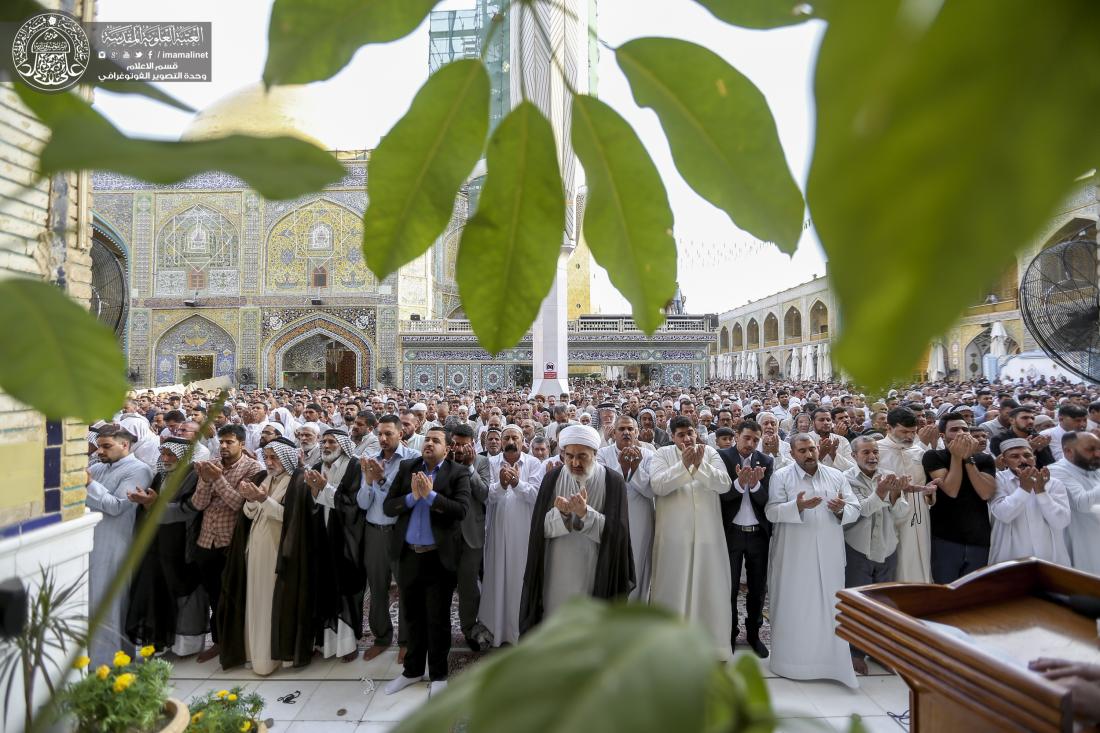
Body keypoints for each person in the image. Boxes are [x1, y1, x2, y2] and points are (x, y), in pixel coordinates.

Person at [382, 426, 470, 697]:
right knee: (411, 616)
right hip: (409, 555)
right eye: (427, 440)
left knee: (438, 618)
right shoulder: (409, 466)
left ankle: (439, 673)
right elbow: (389, 506)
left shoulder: (458, 472)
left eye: (436, 441)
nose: (429, 444)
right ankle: (412, 671)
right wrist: (412, 497)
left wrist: (430, 496)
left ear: (446, 448)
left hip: (438, 558)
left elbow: (460, 510)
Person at [766, 434, 860, 687]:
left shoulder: (836, 475)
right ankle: (791, 664)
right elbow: (771, 511)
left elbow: (855, 507)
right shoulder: (782, 476)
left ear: (818, 449)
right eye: (802, 450)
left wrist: (841, 509)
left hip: (829, 554)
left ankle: (831, 665)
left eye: (812, 449)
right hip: (794, 556)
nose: (809, 454)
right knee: (795, 607)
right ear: (793, 453)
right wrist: (797, 507)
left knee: (831, 608)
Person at [520, 424, 635, 631]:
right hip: (556, 567)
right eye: (569, 456)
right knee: (554, 621)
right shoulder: (552, 478)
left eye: (582, 456)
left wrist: (585, 514)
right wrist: (561, 514)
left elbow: (618, 536)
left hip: (596, 566)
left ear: (595, 454)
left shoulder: (613, 481)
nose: (574, 462)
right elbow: (539, 531)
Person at [218, 437, 317, 674]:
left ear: (287, 457)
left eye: (274, 457)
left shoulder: (299, 481)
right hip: (255, 548)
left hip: (279, 552)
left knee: (274, 603)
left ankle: (276, 655)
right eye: (267, 457)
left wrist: (263, 499)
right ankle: (256, 653)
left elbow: (293, 519)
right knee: (255, 599)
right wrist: (252, 500)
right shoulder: (262, 478)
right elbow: (249, 514)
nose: (269, 462)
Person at [650, 416, 733, 659]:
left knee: (710, 589)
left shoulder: (710, 453)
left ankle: (713, 648)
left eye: (690, 433)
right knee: (672, 588)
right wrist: (684, 466)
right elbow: (658, 485)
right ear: (672, 436)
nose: (687, 438)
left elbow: (724, 484)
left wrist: (700, 465)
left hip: (709, 536)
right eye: (681, 435)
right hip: (674, 538)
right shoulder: (662, 454)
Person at [189, 424, 266, 663]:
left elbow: (238, 505)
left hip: (231, 540)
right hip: (206, 540)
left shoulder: (253, 467)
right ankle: (220, 641)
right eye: (221, 442)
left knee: (234, 594)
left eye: (229, 442)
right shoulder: (212, 464)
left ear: (242, 444)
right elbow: (198, 504)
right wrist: (204, 480)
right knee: (214, 595)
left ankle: (238, 643)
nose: (223, 446)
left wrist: (218, 479)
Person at [125, 438, 207, 657]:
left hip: (183, 544)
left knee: (183, 591)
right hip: (158, 543)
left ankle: (184, 646)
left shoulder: (193, 476)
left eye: (172, 454)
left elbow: (190, 509)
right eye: (164, 454)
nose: (167, 459)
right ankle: (159, 640)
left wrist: (155, 505)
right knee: (156, 588)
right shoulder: (160, 476)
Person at [85, 425, 155, 665]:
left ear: (124, 445)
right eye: (100, 446)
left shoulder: (139, 470)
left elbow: (116, 506)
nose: (99, 452)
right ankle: (93, 660)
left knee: (110, 603)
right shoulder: (97, 467)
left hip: (115, 543)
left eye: (106, 446)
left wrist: (88, 484)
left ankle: (109, 664)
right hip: (90, 541)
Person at [843, 437, 914, 674]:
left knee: (884, 603)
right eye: (866, 452)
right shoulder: (846, 478)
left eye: (875, 452)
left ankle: (879, 651)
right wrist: (882, 493)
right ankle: (854, 652)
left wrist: (894, 495)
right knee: (857, 602)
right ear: (854, 455)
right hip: (858, 549)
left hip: (887, 547)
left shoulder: (888, 474)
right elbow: (859, 511)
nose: (872, 456)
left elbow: (902, 512)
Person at [479, 425, 546, 648]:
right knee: (497, 576)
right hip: (497, 531)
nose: (510, 440)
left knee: (520, 578)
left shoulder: (534, 463)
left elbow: (537, 496)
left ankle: (520, 629)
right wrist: (501, 485)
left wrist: (517, 483)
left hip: (523, 532)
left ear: (522, 441)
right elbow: (486, 496)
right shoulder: (490, 463)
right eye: (506, 436)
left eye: (514, 437)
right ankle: (497, 629)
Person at [356, 414, 417, 661]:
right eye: (380, 434)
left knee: (406, 587)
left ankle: (407, 641)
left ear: (400, 434)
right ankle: (382, 637)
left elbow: (405, 497)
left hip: (401, 533)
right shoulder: (371, 461)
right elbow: (362, 502)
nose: (382, 438)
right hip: (375, 532)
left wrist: (380, 478)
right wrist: (369, 482)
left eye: (388, 434)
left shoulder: (412, 460)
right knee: (378, 586)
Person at [303, 428, 365, 662]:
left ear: (342, 444)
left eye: (331, 442)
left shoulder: (355, 466)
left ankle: (348, 644)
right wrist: (314, 490)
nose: (326, 446)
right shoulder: (319, 466)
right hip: (322, 535)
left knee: (347, 589)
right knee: (324, 587)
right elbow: (311, 502)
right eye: (324, 442)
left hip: (347, 538)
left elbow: (354, 504)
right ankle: (325, 644)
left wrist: (324, 489)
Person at [717, 420, 773, 658]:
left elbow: (767, 501)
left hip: (758, 534)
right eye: (747, 438)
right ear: (736, 435)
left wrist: (756, 484)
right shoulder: (721, 457)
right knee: (728, 588)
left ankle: (753, 633)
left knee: (758, 588)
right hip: (731, 533)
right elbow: (720, 496)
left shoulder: (766, 461)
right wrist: (740, 484)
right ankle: (729, 633)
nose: (750, 444)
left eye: (755, 440)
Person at [922, 413, 997, 583]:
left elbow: (985, 492)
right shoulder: (933, 456)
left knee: (974, 591)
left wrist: (968, 458)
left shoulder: (984, 459)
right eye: (955, 429)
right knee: (945, 591)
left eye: (965, 429)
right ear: (943, 435)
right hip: (945, 538)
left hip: (979, 538)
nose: (962, 433)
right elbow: (951, 489)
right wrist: (956, 456)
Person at [596, 416, 656, 602]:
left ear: (637, 432)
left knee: (638, 563)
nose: (626, 433)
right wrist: (621, 468)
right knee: (611, 562)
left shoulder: (649, 455)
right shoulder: (602, 454)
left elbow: (651, 491)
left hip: (641, 516)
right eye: (621, 429)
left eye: (630, 429)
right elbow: (600, 487)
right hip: (611, 515)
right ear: (613, 433)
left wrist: (636, 470)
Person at [988, 439, 1070, 565]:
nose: (1023, 460)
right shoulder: (998, 479)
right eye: (1015, 456)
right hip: (1010, 556)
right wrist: (1024, 489)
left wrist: (1041, 491)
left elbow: (1061, 522)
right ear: (1004, 461)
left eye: (1027, 455)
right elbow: (1003, 514)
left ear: (1034, 458)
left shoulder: (1053, 483)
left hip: (1049, 556)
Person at [877, 407, 935, 583]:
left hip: (919, 514)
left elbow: (926, 486)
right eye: (904, 431)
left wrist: (929, 493)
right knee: (896, 558)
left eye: (913, 432)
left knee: (920, 555)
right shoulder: (876, 450)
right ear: (889, 428)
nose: (909, 437)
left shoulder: (919, 452)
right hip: (888, 513)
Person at [448, 424, 491, 651]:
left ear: (473, 444)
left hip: (471, 535)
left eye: (464, 444)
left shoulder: (482, 463)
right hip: (444, 535)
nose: (459, 448)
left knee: (468, 587)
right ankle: (440, 631)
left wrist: (470, 468)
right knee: (442, 586)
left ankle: (469, 629)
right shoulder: (443, 460)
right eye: (455, 443)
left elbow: (484, 494)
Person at [1048, 432, 1100, 575]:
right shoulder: (1056, 471)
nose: (1097, 454)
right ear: (1068, 451)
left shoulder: (1094, 467)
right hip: (1083, 540)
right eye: (1090, 449)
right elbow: (1082, 504)